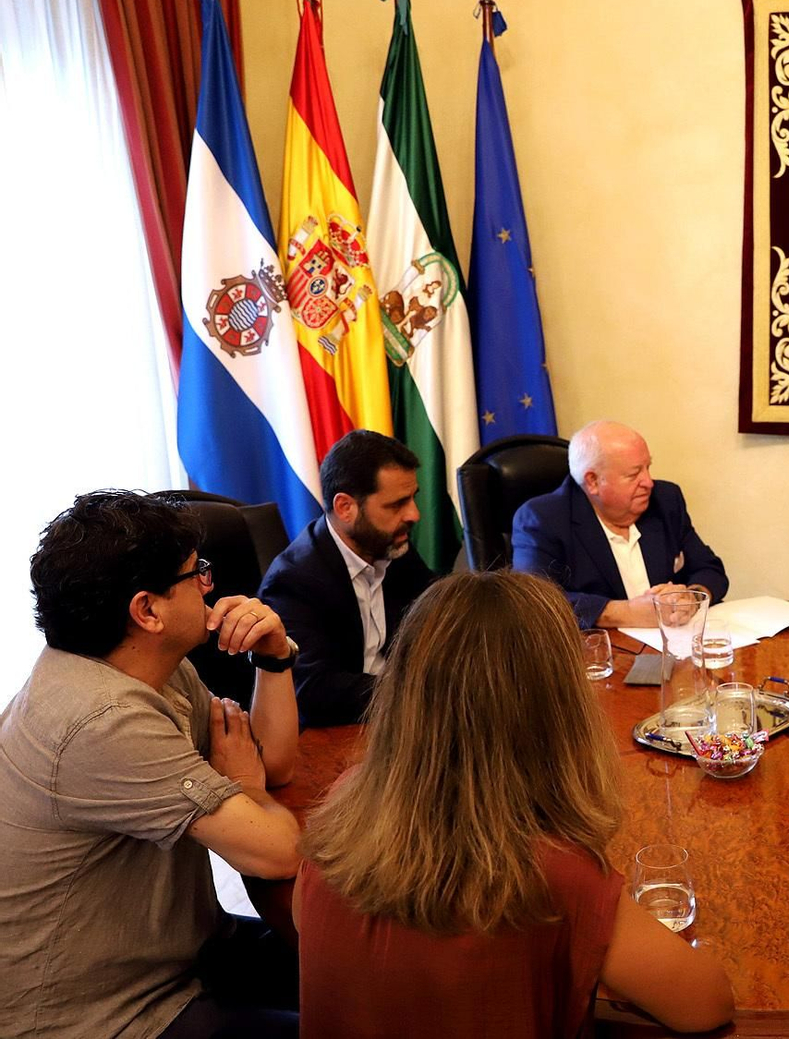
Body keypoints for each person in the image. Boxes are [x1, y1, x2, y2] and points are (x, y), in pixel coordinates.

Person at [294, 571, 734, 1037]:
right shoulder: (554, 874)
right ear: (559, 707)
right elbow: (706, 1004)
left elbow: (306, 921)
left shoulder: (345, 803)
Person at [0, 491, 302, 1039]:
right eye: (197, 573)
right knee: (351, 1017)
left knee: (364, 975)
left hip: (180, 955)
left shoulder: (144, 667)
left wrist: (273, 656)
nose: (210, 584)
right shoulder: (102, 720)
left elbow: (272, 763)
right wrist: (243, 788)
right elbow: (277, 854)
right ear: (147, 610)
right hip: (103, 1013)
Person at [260, 429, 436, 727]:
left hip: (396, 721)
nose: (414, 514)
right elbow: (315, 690)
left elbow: (439, 613)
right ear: (345, 508)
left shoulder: (392, 547)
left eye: (412, 499)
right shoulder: (293, 582)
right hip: (337, 734)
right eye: (397, 504)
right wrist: (421, 692)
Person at [512, 420, 728, 628]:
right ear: (593, 482)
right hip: (598, 655)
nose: (648, 482)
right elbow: (533, 602)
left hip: (671, 643)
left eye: (648, 467)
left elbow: (710, 569)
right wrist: (623, 613)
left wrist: (691, 598)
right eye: (634, 474)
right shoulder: (542, 518)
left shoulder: (666, 500)